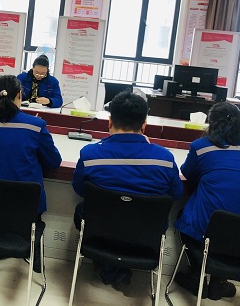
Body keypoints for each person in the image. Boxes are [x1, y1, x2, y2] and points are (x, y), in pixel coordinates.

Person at [72, 90, 182, 288]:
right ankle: (116, 270)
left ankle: (110, 268)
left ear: (109, 121)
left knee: (82, 210)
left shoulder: (90, 154)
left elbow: (79, 189)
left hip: (100, 231)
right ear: (144, 124)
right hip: (146, 235)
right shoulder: (164, 159)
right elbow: (177, 194)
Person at [173, 102, 240, 300]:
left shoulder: (202, 147)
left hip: (212, 231)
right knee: (233, 224)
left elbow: (188, 174)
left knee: (187, 218)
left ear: (211, 123)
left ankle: (196, 275)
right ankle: (219, 281)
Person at [0, 75, 62, 271]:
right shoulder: (35, 125)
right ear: (20, 95)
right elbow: (54, 162)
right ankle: (33, 250)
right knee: (27, 199)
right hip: (26, 203)